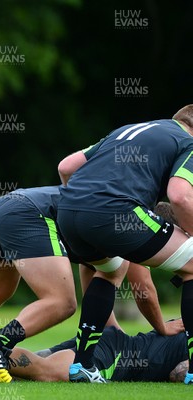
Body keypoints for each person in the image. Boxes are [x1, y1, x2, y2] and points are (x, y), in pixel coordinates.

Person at [0, 185, 180, 381]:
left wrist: (107, 327)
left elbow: (95, 280)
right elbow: (145, 291)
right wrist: (163, 328)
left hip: (5, 207)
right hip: (31, 215)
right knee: (61, 302)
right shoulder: (137, 228)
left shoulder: (109, 214)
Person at [55, 105, 193, 384]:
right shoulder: (188, 141)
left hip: (66, 211)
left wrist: (83, 207)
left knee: (110, 269)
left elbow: (66, 167)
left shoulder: (127, 131)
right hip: (116, 212)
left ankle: (82, 365)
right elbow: (179, 196)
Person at [0, 323, 189, 383]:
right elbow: (179, 374)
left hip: (106, 340)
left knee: (33, 366)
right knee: (49, 373)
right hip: (114, 358)